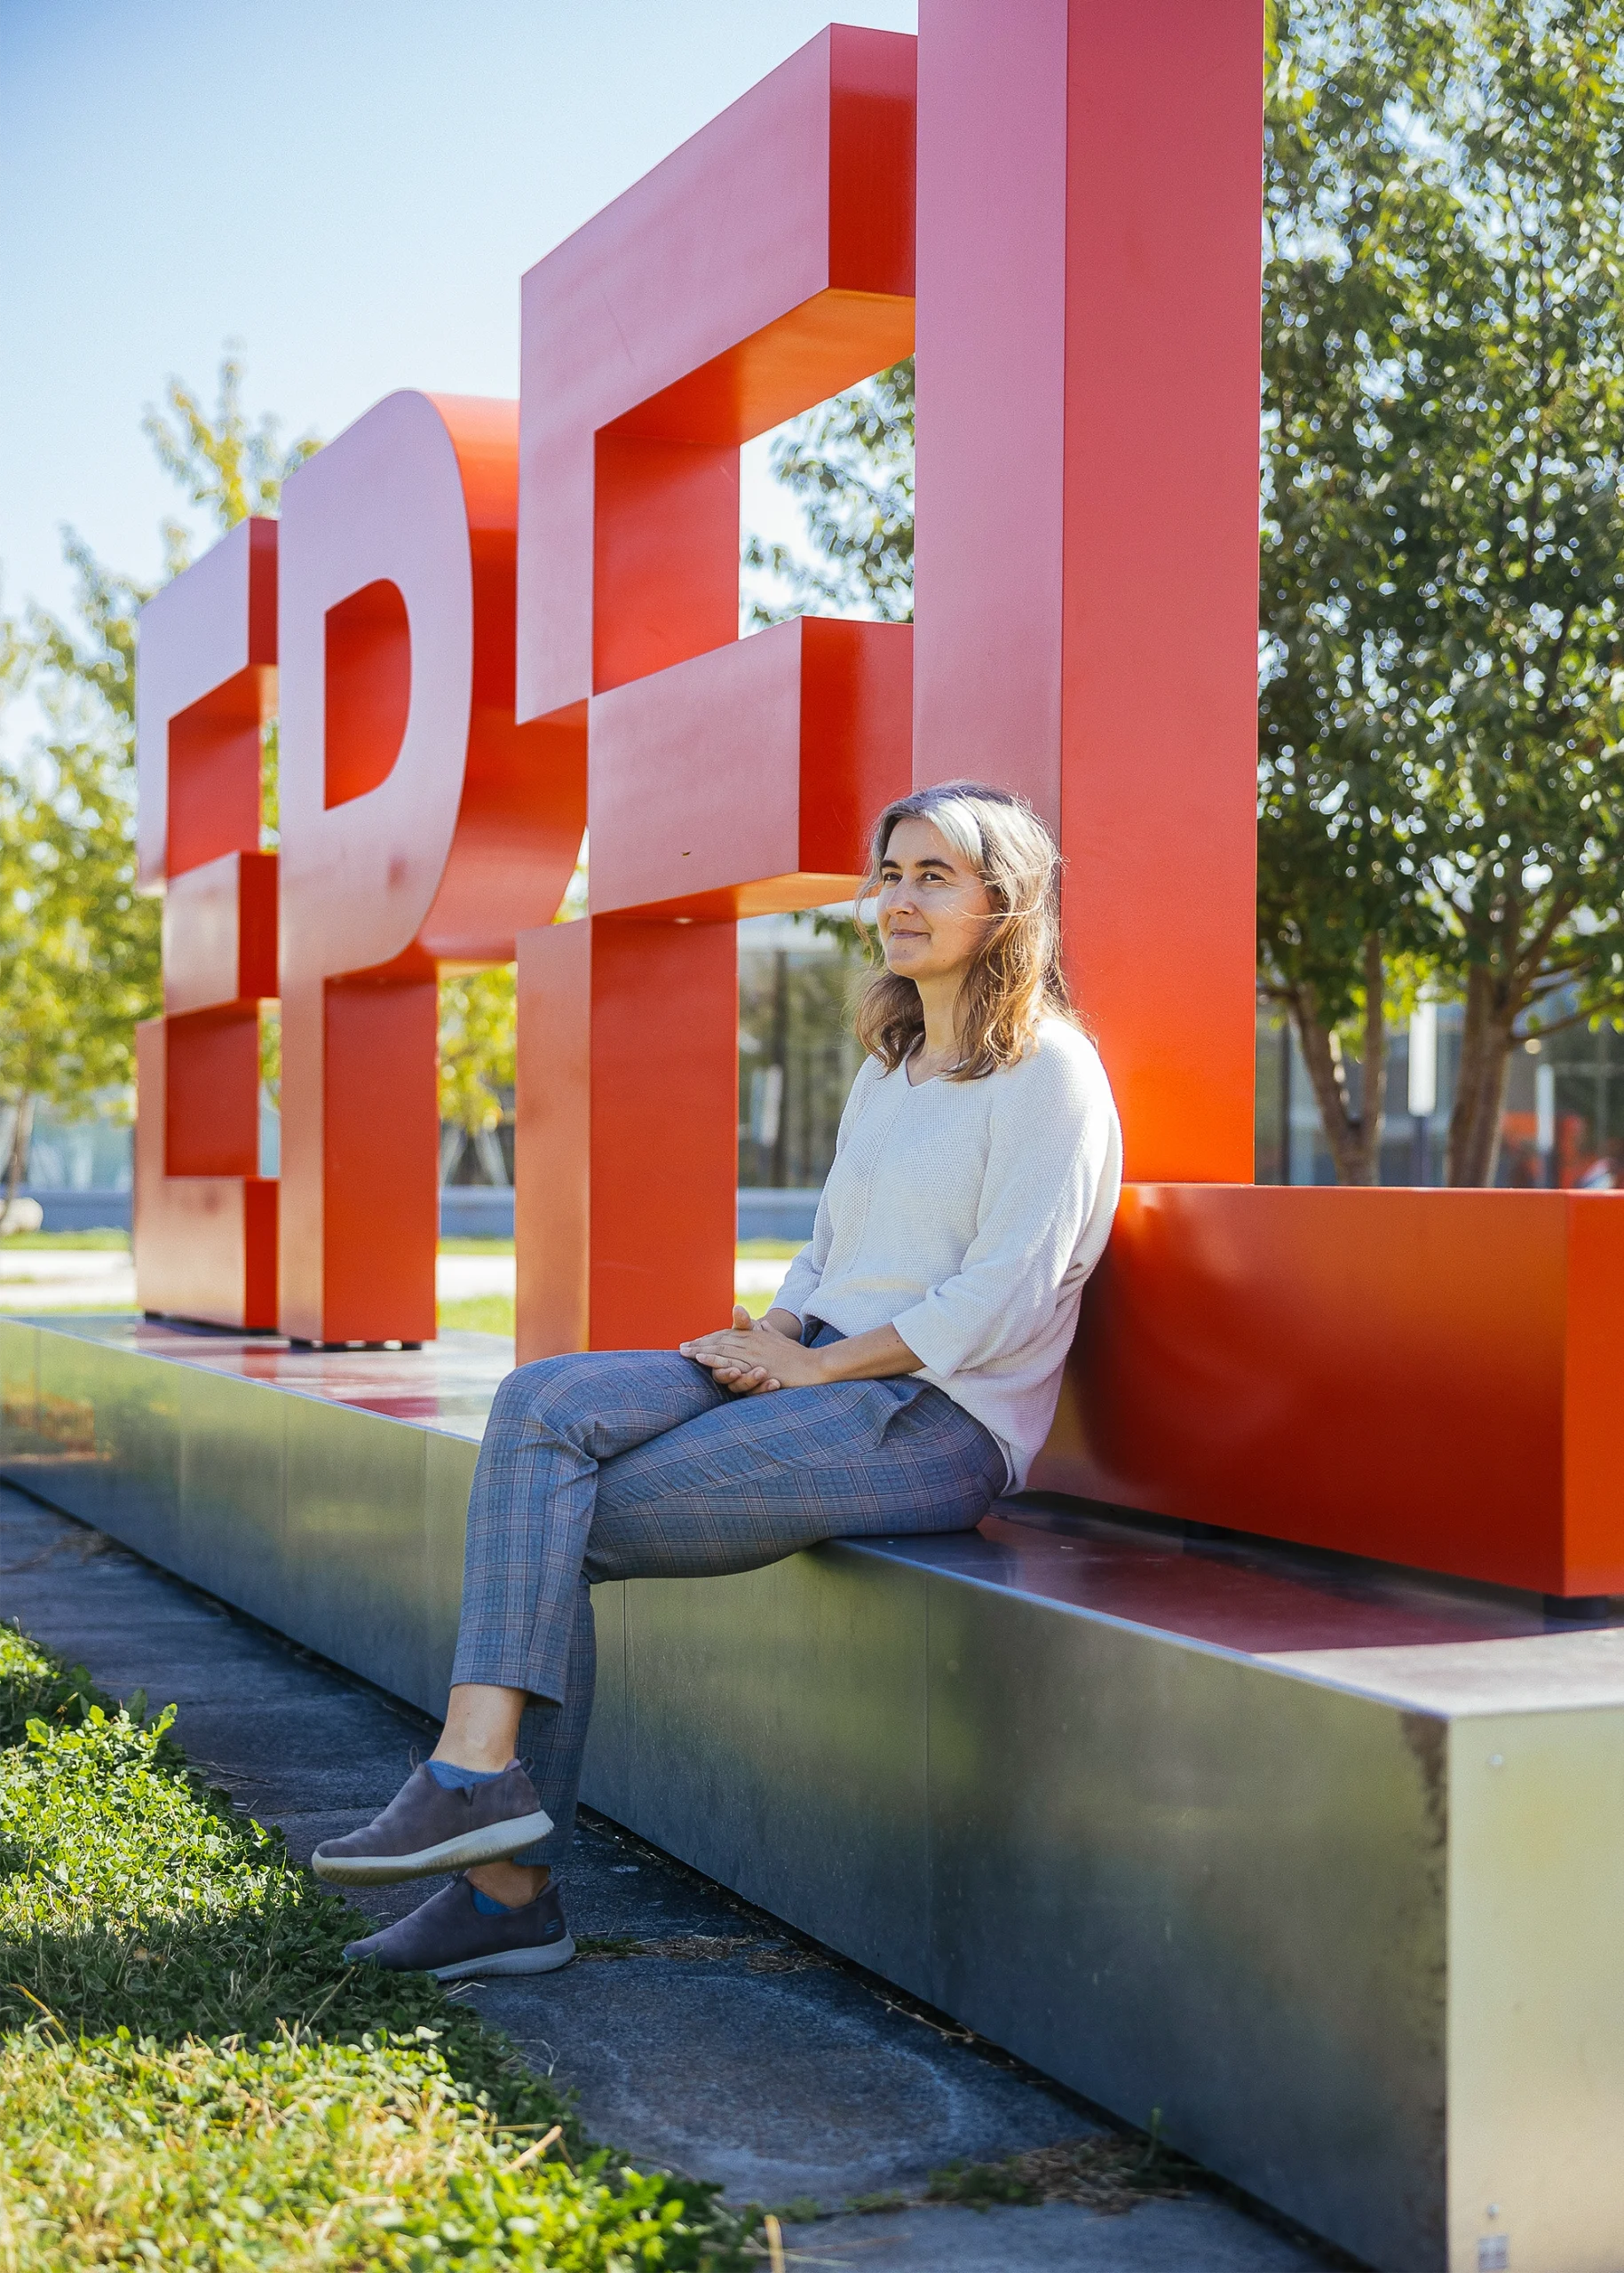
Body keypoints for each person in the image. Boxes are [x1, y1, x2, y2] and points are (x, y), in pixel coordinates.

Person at [315, 780, 1122, 1979]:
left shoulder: (1050, 1074)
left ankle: (502, 1891)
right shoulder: (892, 1065)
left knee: (559, 1517)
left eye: (934, 877)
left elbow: (1004, 1294)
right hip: (818, 1362)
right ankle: (474, 1773)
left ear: (1008, 906)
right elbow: (832, 1247)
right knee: (539, 1403)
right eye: (890, 873)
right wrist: (773, 1329)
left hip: (933, 1415)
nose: (898, 899)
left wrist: (812, 1364)